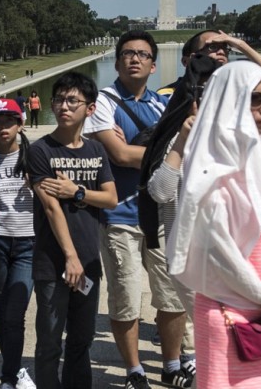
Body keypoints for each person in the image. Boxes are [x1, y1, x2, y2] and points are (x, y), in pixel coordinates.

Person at [168, 60, 261, 388]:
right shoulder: (210, 171)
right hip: (229, 314)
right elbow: (223, 257)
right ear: (229, 102)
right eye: (254, 99)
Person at [83, 30, 190, 389]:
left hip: (161, 213)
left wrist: (164, 153)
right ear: (116, 62)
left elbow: (182, 153)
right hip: (120, 216)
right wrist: (166, 153)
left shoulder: (163, 104)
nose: (135, 59)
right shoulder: (103, 102)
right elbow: (120, 155)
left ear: (154, 64)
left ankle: (172, 364)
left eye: (143, 54)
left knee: (171, 296)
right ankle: (134, 370)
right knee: (126, 299)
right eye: (128, 53)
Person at [28, 72, 117, 389]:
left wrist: (76, 191)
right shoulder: (40, 151)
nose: (63, 106)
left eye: (72, 100)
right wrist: (70, 256)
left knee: (82, 340)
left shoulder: (96, 151)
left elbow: (110, 198)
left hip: (89, 260)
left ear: (90, 109)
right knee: (50, 342)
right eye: (59, 100)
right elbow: (51, 207)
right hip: (54, 262)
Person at [140, 50, 221, 380]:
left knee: (220, 338)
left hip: (227, 254)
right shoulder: (177, 136)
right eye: (202, 93)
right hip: (188, 254)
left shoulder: (236, 138)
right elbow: (159, 192)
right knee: (212, 332)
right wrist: (182, 141)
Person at [0, 98, 38, 389]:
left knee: (15, 311)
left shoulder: (34, 155)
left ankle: (9, 375)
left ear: (20, 124)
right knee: (1, 308)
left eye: (8, 121)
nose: (2, 127)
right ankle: (14, 370)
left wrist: (37, 187)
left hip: (28, 242)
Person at [157, 29, 261, 98]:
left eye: (225, 48)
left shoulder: (239, 91)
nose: (221, 52)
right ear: (188, 60)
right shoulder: (166, 96)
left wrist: (241, 45)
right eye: (213, 47)